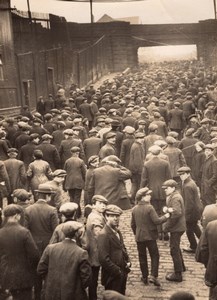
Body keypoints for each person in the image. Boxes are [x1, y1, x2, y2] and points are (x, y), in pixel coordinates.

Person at [37, 221, 91, 300]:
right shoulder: (81, 253)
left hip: (51, 293)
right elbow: (86, 278)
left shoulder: (50, 248)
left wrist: (51, 281)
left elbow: (40, 270)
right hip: (73, 295)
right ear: (77, 234)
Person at [25, 183, 59, 300]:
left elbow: (26, 230)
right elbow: (56, 230)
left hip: (32, 246)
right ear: (48, 196)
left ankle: (37, 296)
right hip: (48, 245)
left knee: (36, 272)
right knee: (48, 272)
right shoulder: (52, 210)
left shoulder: (28, 210)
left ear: (38, 195)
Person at [131, 187, 170, 286]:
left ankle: (144, 276)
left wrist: (137, 233)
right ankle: (153, 275)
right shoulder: (150, 207)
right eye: (148, 195)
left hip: (139, 237)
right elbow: (157, 221)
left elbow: (133, 225)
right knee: (155, 255)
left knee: (142, 257)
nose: (150, 196)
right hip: (150, 237)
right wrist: (166, 216)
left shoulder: (134, 209)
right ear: (143, 197)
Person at [0, 204, 39, 300]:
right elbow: (34, 255)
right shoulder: (24, 232)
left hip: (5, 275)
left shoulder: (0, 233)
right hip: (23, 276)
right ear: (16, 215)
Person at [97, 205, 131, 295]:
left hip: (121, 273)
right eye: (112, 216)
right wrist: (117, 271)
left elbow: (122, 247)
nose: (116, 218)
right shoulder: (103, 235)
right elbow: (103, 259)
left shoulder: (117, 231)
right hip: (112, 276)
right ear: (106, 216)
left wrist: (128, 260)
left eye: (117, 216)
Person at [162, 179, 186, 282]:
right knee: (176, 247)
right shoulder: (174, 195)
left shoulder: (175, 198)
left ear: (173, 188)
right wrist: (168, 210)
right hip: (179, 227)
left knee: (174, 249)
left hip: (176, 228)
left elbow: (176, 213)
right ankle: (181, 267)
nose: (165, 190)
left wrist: (166, 227)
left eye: (166, 188)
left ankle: (178, 274)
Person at [86, 195, 108, 300]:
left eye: (104, 204)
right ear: (94, 205)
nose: (103, 206)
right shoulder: (95, 217)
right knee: (93, 277)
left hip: (94, 250)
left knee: (93, 277)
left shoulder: (96, 214)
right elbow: (98, 235)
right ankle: (92, 297)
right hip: (96, 251)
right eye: (100, 204)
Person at [177, 166, 202, 253]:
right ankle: (205, 243)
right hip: (195, 210)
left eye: (183, 174)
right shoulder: (190, 182)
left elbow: (189, 203)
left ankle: (193, 246)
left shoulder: (187, 185)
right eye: (180, 175)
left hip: (191, 212)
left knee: (189, 230)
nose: (181, 176)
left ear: (188, 174)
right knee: (195, 227)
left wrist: (185, 215)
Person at [196, 219, 217, 300]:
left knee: (213, 296)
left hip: (214, 269)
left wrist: (208, 264)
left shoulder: (211, 225)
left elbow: (203, 248)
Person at [64, 146, 86, 218]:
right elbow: (84, 173)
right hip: (78, 182)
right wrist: (85, 182)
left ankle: (77, 213)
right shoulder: (81, 161)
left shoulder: (67, 161)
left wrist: (64, 184)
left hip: (69, 182)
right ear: (78, 153)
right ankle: (76, 214)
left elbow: (64, 172)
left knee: (72, 198)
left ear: (71, 153)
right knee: (77, 198)